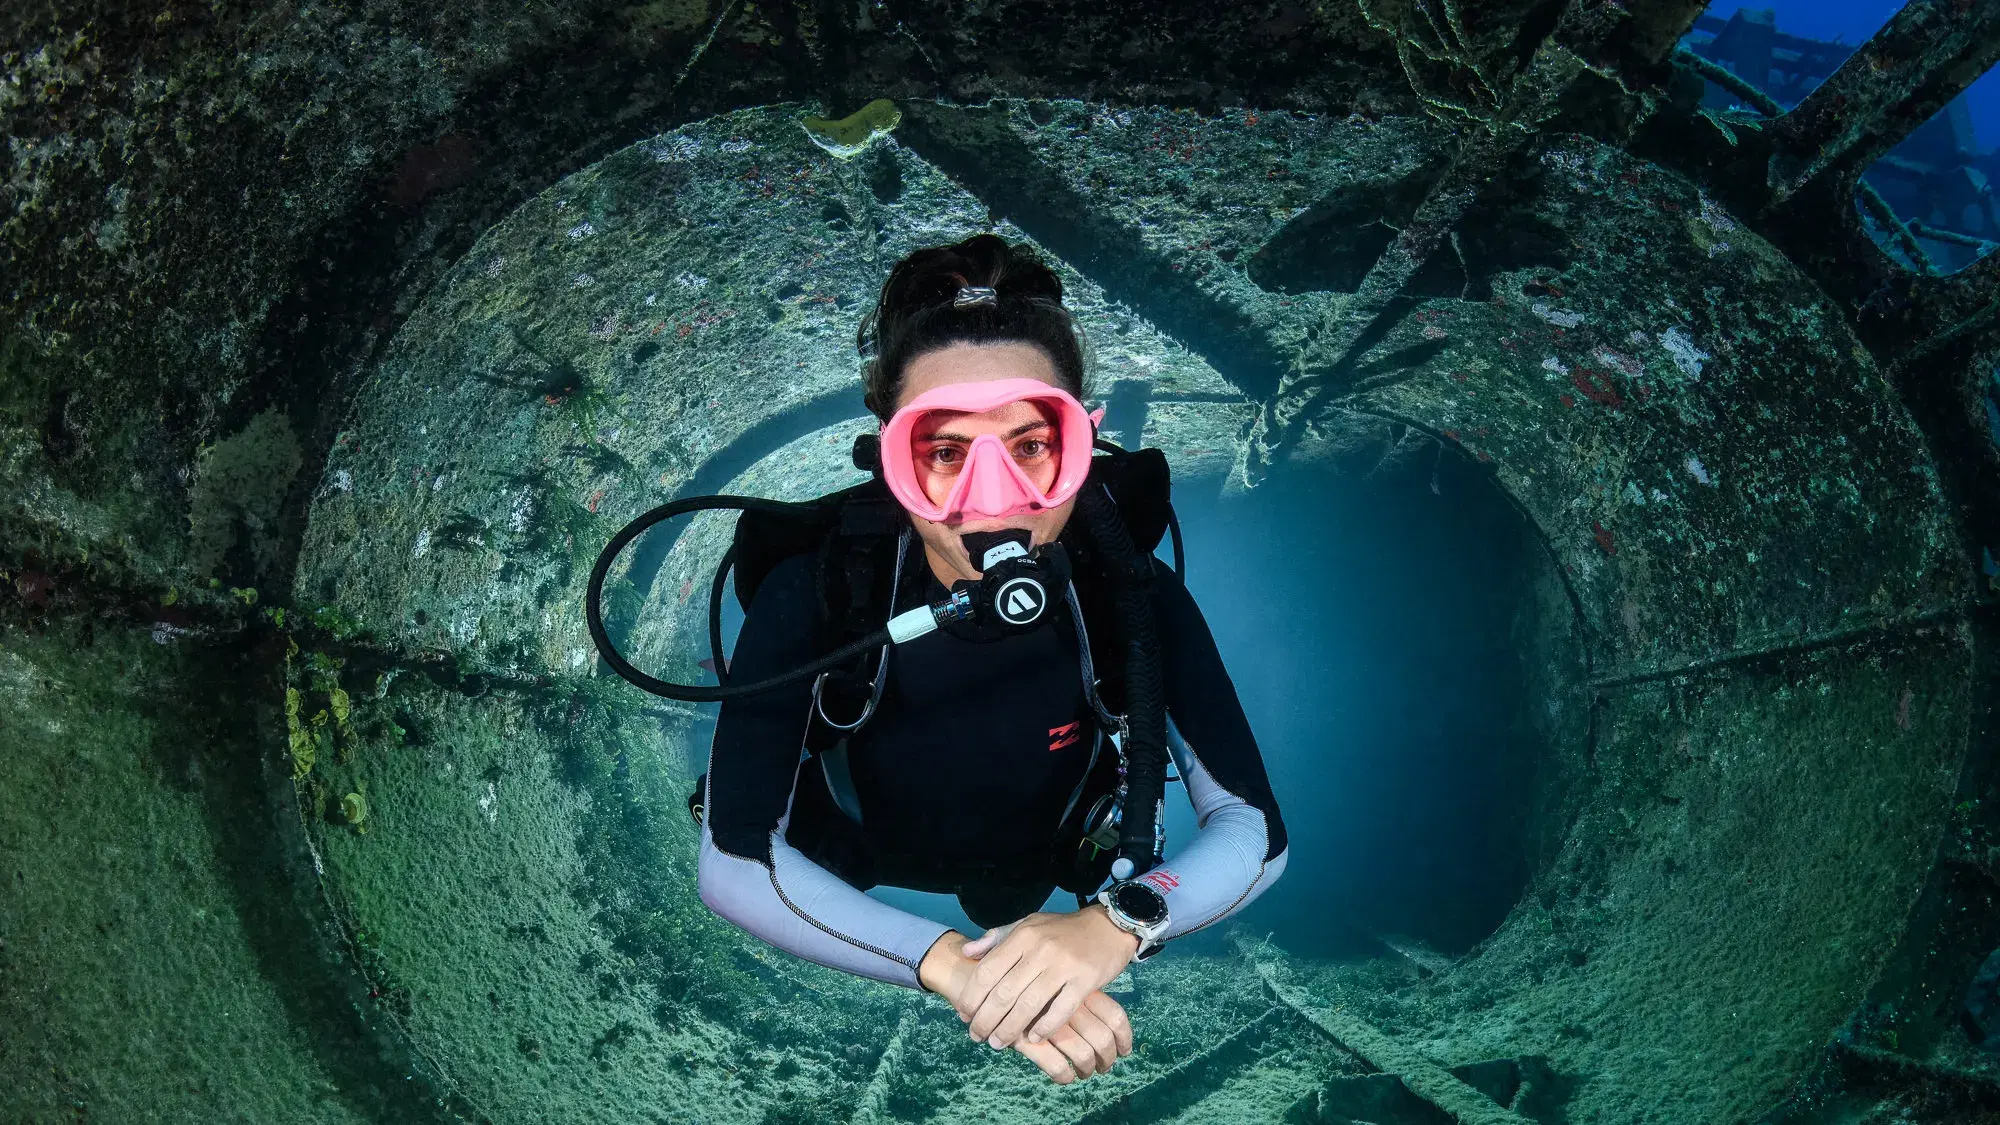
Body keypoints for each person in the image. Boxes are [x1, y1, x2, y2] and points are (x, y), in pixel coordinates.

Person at [695, 233, 1288, 1085]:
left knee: (1003, 903)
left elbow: (1256, 832)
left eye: (1031, 445)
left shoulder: (1132, 598)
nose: (991, 497)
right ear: (890, 462)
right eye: (942, 452)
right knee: (910, 893)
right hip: (859, 853)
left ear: (1081, 444)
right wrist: (952, 967)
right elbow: (735, 858)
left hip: (1034, 860)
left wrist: (1116, 923)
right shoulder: (818, 592)